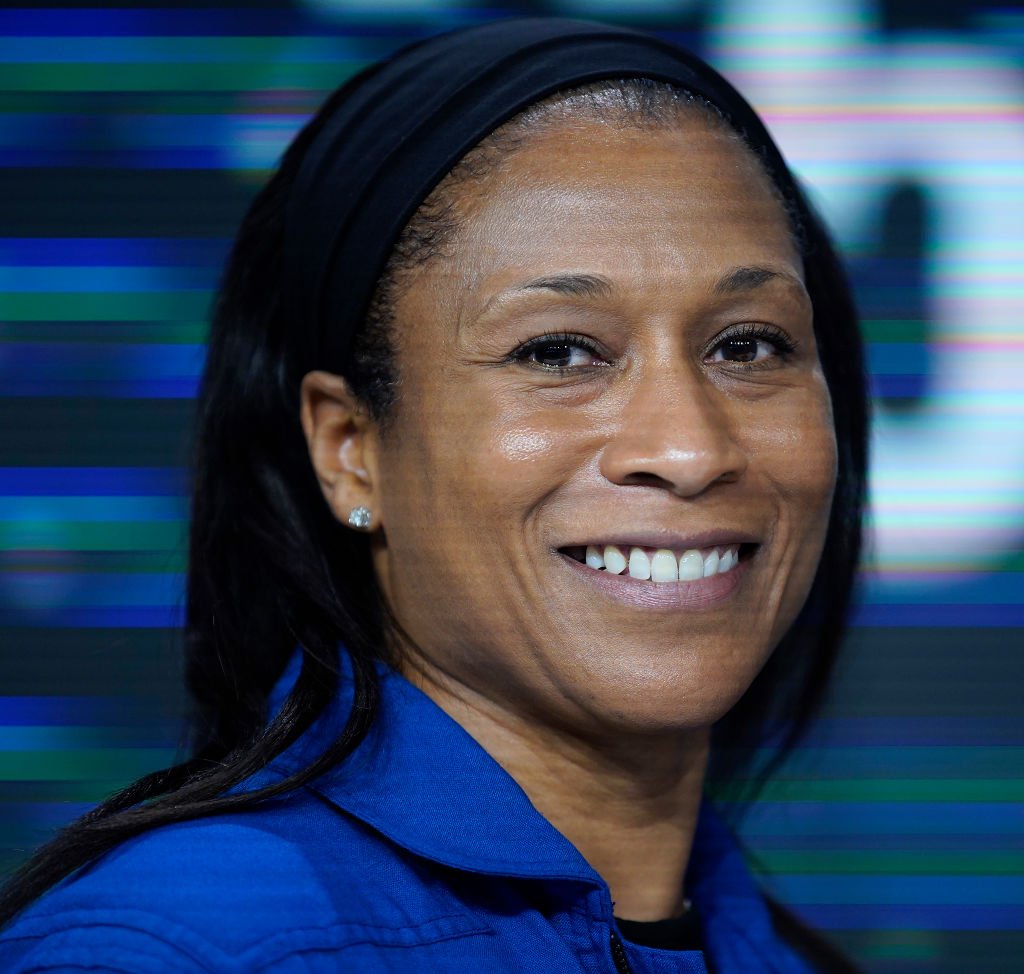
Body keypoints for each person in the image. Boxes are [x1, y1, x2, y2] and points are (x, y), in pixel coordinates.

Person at [0, 17, 867, 973]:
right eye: (559, 351)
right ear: (349, 450)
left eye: (748, 345)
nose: (690, 448)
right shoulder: (178, 950)